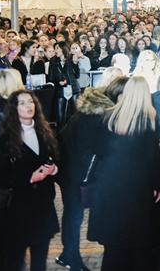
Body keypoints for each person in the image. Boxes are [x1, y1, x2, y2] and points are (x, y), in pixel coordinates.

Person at [88, 76, 160, 271]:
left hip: (109, 185)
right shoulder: (147, 120)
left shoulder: (108, 116)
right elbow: (153, 158)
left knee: (113, 247)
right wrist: (159, 185)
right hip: (137, 188)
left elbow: (98, 149)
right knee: (138, 244)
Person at [0, 89, 60, 271]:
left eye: (31, 102)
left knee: (40, 261)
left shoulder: (45, 132)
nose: (29, 106)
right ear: (14, 108)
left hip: (42, 209)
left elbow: (56, 159)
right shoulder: (5, 140)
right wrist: (29, 177)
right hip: (16, 212)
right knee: (14, 261)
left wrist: (54, 169)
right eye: (23, 103)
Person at [56, 85, 114, 271]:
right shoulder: (96, 118)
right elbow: (99, 150)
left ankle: (68, 255)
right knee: (74, 217)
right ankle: (72, 259)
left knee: (72, 216)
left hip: (68, 171)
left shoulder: (83, 113)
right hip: (78, 175)